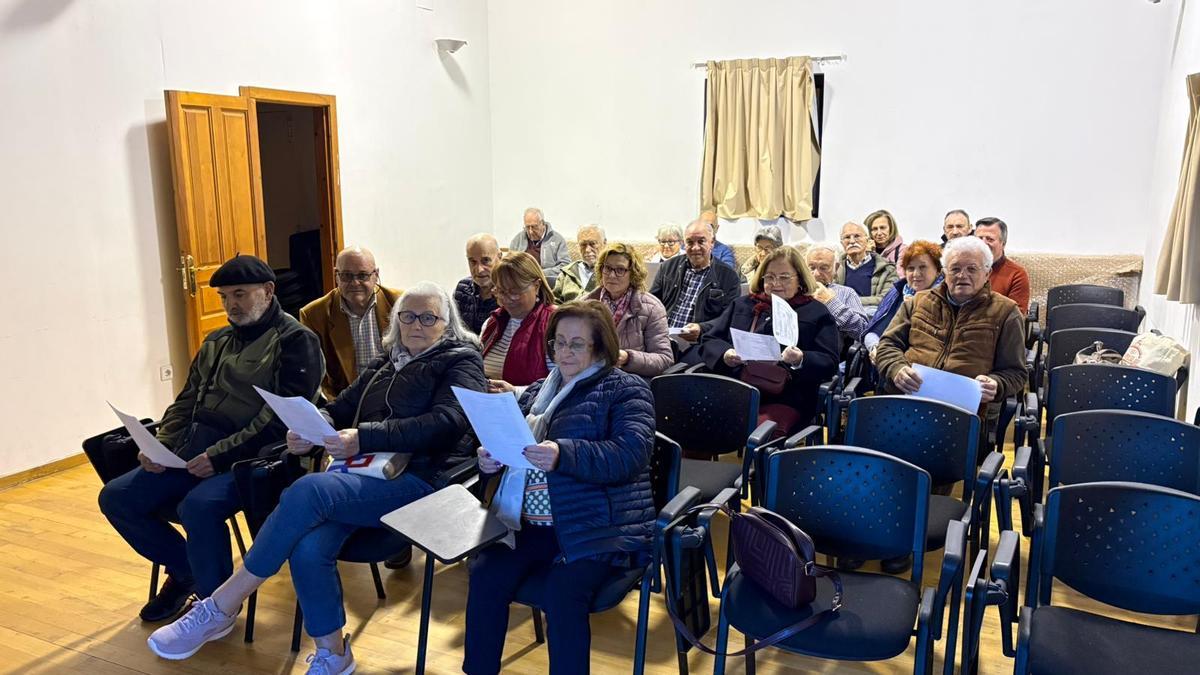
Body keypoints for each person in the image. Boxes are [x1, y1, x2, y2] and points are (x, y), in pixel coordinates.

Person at [146, 282, 486, 671]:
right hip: (361, 477)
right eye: (407, 316)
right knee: (309, 548)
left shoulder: (461, 361)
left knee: (309, 490)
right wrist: (312, 427)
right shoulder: (386, 360)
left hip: (422, 482)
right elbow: (341, 408)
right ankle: (334, 654)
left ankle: (220, 606)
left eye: (429, 318)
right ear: (395, 320)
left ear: (448, 325)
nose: (417, 325)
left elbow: (448, 422)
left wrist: (364, 437)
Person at [99, 255, 323, 623]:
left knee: (198, 507)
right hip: (193, 449)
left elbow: (278, 421)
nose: (231, 304)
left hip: (253, 461)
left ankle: (216, 605)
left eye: (240, 294)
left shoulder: (296, 340)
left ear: (268, 291)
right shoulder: (216, 340)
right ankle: (186, 570)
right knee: (117, 497)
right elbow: (187, 399)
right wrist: (161, 445)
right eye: (223, 297)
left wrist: (218, 457)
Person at [464, 301, 656, 675]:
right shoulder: (538, 391)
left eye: (577, 344)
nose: (564, 352)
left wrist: (562, 454)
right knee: (486, 572)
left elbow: (630, 455)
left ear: (600, 347)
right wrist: (490, 461)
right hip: (532, 524)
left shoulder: (627, 389)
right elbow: (513, 448)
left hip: (598, 527)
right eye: (558, 342)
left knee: (561, 594)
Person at [874, 235, 1027, 438]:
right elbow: (887, 345)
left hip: (961, 417)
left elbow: (1016, 373)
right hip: (905, 403)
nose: (962, 275)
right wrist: (897, 368)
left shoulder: (1006, 312)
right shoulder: (917, 302)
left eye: (972, 269)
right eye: (955, 269)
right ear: (944, 272)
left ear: (987, 273)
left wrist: (996, 384)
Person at [697, 246, 839, 435]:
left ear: (800, 280)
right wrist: (725, 354)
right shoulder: (744, 304)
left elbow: (829, 361)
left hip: (788, 395)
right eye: (770, 277)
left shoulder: (815, 312)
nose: (776, 283)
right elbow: (710, 339)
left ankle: (762, 464)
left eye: (784, 277)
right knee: (693, 415)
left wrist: (800, 358)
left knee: (766, 431)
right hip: (737, 386)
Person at [300, 246, 402, 400]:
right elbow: (316, 376)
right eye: (347, 276)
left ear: (376, 275)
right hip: (346, 402)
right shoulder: (313, 315)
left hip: (396, 397)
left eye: (362, 275)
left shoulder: (400, 304)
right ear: (336, 276)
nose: (355, 283)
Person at [584, 243, 673, 378]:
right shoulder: (585, 304)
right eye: (607, 268)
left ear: (633, 274)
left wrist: (628, 358)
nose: (612, 275)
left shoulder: (651, 308)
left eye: (620, 270)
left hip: (630, 382)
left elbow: (664, 360)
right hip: (590, 378)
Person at [650, 219, 740, 342]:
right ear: (684, 244)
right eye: (690, 242)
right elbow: (652, 303)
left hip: (700, 342)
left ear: (712, 243)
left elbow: (729, 317)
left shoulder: (728, 276)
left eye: (701, 241)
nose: (695, 247)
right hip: (663, 337)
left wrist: (702, 328)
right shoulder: (668, 267)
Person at [481, 252, 556, 393]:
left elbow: (565, 385)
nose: (507, 299)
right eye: (501, 291)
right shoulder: (493, 322)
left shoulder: (555, 324)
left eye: (514, 292)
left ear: (536, 285)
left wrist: (517, 392)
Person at [863, 240, 944, 361]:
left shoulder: (946, 296)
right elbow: (873, 332)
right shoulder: (898, 291)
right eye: (910, 268)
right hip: (890, 359)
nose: (916, 274)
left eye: (923, 267)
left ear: (938, 270)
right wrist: (875, 347)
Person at [803, 243, 869, 339]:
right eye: (811, 268)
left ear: (836, 268)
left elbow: (863, 332)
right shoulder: (795, 291)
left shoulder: (846, 293)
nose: (816, 274)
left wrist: (831, 303)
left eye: (824, 268)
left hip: (830, 350)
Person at [834, 221, 898, 308]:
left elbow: (887, 299)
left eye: (857, 236)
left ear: (867, 240)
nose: (852, 241)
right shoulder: (834, 268)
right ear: (841, 243)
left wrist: (848, 301)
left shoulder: (887, 269)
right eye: (847, 237)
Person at [974, 217, 1030, 314]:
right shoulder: (962, 270)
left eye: (990, 239)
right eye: (979, 238)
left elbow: (1015, 318)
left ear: (1003, 244)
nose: (983, 243)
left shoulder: (1016, 274)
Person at [511, 207, 571, 286]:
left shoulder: (557, 239)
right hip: (522, 283)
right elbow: (510, 263)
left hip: (547, 282)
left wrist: (540, 273)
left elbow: (566, 265)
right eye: (527, 227)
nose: (530, 231)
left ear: (542, 223)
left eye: (534, 227)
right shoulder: (518, 240)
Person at [455, 233, 502, 334]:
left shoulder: (510, 294)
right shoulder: (462, 288)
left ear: (499, 257)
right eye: (473, 262)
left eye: (485, 260)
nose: (479, 269)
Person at [554, 224, 606, 303]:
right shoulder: (567, 273)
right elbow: (554, 302)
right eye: (583, 245)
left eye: (592, 244)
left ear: (604, 243)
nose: (587, 250)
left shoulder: (610, 273)